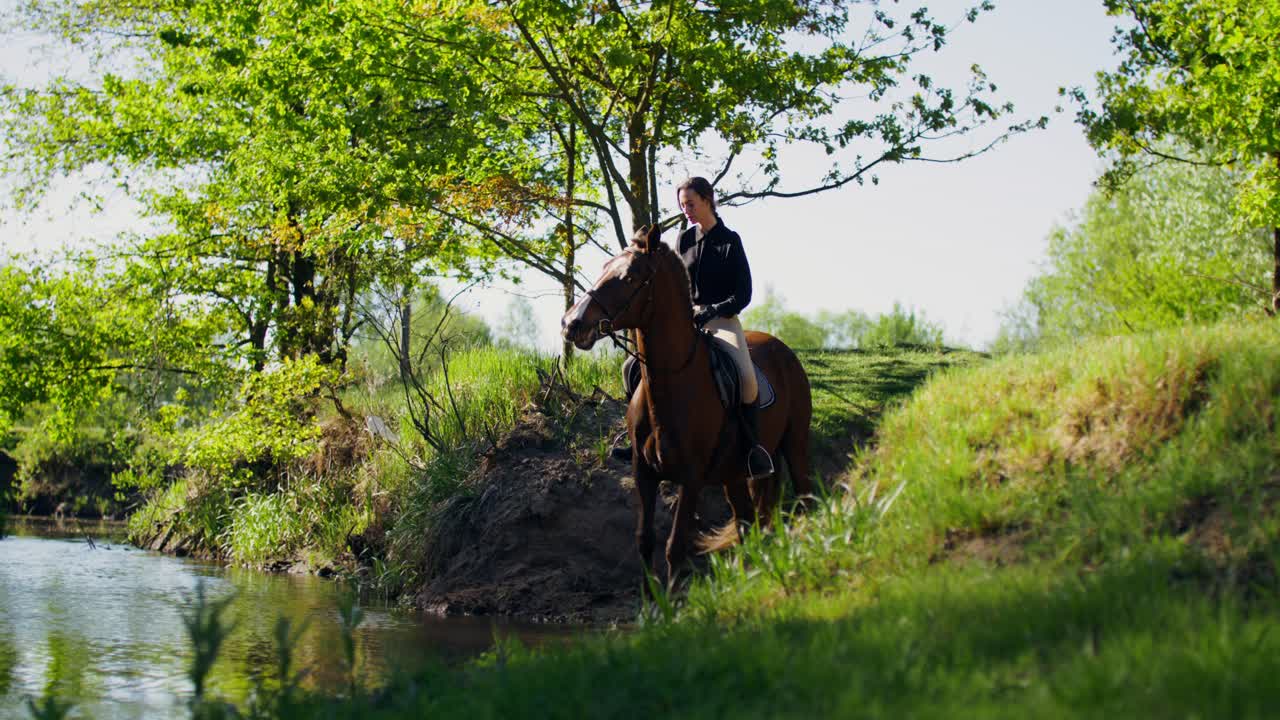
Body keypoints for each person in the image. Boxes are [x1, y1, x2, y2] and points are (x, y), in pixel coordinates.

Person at [613, 177, 773, 480]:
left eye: (691, 204)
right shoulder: (683, 241)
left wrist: (713, 309)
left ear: (708, 200)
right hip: (684, 323)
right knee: (630, 367)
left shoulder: (730, 240)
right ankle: (633, 436)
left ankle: (753, 449)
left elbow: (744, 294)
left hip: (721, 321)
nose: (686, 210)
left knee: (747, 379)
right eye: (682, 205)